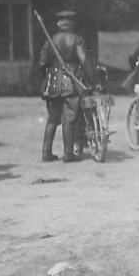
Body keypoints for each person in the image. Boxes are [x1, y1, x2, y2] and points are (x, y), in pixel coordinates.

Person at [38, 10, 93, 163]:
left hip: (53, 83)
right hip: (71, 82)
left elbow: (41, 63)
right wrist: (91, 80)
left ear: (59, 24)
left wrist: (46, 78)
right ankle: (68, 154)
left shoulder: (50, 40)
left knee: (52, 119)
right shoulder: (77, 39)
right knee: (69, 119)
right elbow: (84, 60)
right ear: (72, 24)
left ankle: (46, 153)